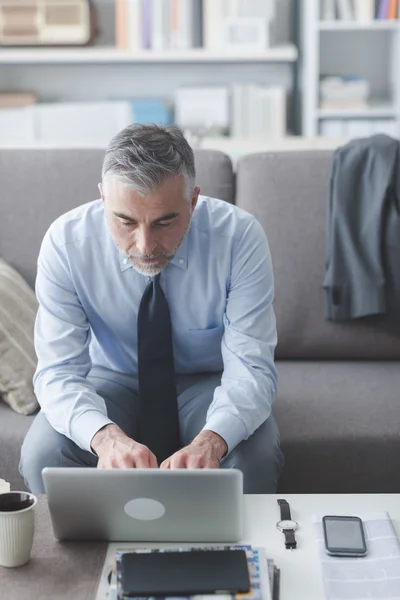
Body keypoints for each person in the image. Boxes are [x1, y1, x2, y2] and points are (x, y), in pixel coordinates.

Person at [19, 123, 283, 494]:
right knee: (42, 453)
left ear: (192, 201)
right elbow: (58, 372)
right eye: (125, 221)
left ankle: (234, 551)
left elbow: (251, 368)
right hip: (111, 377)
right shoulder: (66, 244)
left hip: (208, 380)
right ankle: (85, 554)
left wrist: (212, 441)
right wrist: (104, 437)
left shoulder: (240, 239)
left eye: (165, 222)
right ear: (102, 199)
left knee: (251, 458)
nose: (145, 246)